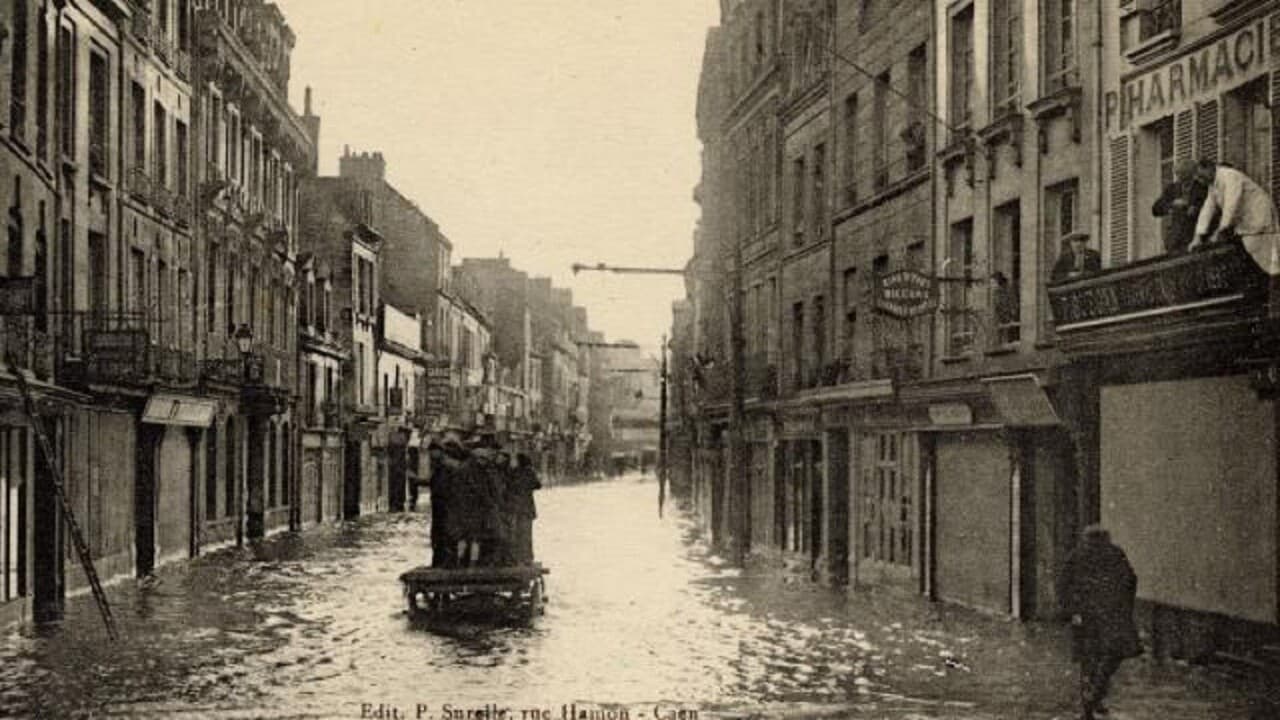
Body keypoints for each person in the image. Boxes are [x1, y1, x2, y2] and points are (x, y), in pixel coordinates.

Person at [1061, 525, 1142, 720]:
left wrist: (1072, 610)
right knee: (1109, 656)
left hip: (1087, 617)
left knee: (1089, 659)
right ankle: (1094, 697)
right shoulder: (1114, 553)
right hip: (1109, 616)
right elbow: (1130, 580)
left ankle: (1090, 701)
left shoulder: (1078, 555)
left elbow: (1064, 584)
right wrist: (1124, 607)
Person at [1189, 159, 1280, 273]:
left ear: (1209, 168)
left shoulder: (1230, 176)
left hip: (1259, 218)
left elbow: (1231, 204)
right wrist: (1198, 236)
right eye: (1197, 178)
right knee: (1259, 258)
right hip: (1247, 224)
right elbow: (1207, 209)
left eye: (1200, 176)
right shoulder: (1213, 185)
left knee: (1269, 257)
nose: (1200, 180)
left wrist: (1220, 230)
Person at [1152, 158, 1212, 254]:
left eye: (1186, 179)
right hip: (1175, 239)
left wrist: (1195, 209)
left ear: (1193, 175)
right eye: (1179, 176)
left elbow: (1210, 208)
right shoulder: (1172, 189)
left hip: (1194, 236)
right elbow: (1156, 209)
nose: (1184, 183)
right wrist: (1172, 205)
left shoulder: (1202, 188)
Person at [510, 453, 542, 565]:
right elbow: (538, 485)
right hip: (527, 508)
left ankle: (517, 557)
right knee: (527, 534)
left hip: (515, 507)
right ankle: (528, 557)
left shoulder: (514, 472)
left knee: (516, 533)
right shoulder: (530, 472)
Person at [424, 441, 450, 567]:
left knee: (440, 535)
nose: (431, 454)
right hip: (438, 506)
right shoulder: (439, 467)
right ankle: (438, 562)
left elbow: (441, 487)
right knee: (437, 535)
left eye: (433, 451)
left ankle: (439, 562)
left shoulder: (443, 467)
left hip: (442, 506)